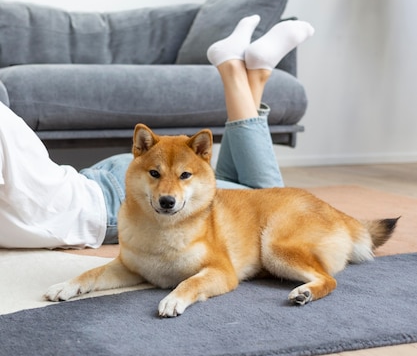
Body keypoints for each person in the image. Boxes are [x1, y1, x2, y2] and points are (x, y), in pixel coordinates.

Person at [0, 15, 313, 249]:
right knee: (245, 189)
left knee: (270, 203)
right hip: (107, 179)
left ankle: (235, 68)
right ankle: (255, 73)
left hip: (122, 197)